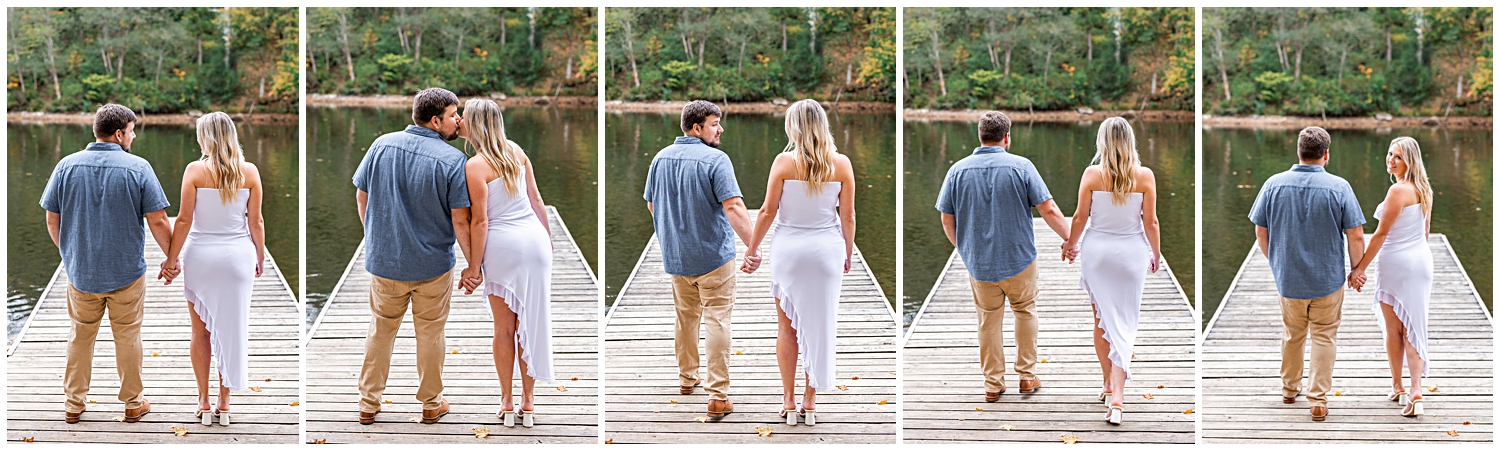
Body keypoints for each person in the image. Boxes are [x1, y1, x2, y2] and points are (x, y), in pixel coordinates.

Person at [353, 87, 479, 425]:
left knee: (380, 331)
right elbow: (460, 219)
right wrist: (473, 265)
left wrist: (373, 235)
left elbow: (361, 195)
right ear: (436, 120)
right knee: (431, 334)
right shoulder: (454, 161)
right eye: (455, 115)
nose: (459, 120)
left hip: (385, 263)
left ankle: (368, 403)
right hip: (432, 267)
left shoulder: (381, 144)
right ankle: (430, 404)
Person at [42, 103, 174, 424]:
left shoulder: (65, 166)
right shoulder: (138, 168)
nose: (133, 136)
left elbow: (51, 218)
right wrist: (172, 258)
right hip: (126, 273)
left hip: (81, 274)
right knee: (127, 335)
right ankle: (132, 403)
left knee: (80, 336)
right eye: (131, 131)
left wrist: (71, 253)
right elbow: (158, 220)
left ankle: (73, 404)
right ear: (119, 134)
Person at [936, 111, 1071, 401]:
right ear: (1007, 137)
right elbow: (1048, 209)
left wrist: (964, 249)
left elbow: (947, 219)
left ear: (980, 136)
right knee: (1025, 311)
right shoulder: (1022, 166)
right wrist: (1070, 239)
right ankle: (1026, 376)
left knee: (988, 320)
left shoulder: (957, 170)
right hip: (1020, 259)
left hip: (980, 264)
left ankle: (993, 385)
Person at [743, 99, 856, 426]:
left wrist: (752, 250)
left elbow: (766, 212)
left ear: (794, 127)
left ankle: (789, 402)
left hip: (789, 251)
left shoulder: (783, 162)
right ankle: (810, 402)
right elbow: (847, 216)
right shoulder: (842, 164)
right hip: (826, 253)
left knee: (787, 327)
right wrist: (847, 253)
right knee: (820, 326)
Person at [642, 100, 758, 419]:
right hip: (714, 257)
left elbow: (653, 206)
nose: (720, 129)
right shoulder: (715, 160)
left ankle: (686, 380)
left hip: (677, 258)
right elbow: (733, 207)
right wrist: (753, 246)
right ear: (697, 127)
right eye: (714, 124)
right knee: (717, 318)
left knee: (686, 318)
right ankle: (718, 395)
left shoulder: (660, 158)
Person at [1248, 126, 1366, 422]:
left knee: (1293, 333)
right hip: (1328, 280)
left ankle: (1289, 389)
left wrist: (1274, 260)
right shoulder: (1339, 187)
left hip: (1288, 280)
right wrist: (1356, 270)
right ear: (1326, 155)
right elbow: (1356, 235)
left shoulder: (1273, 184)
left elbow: (1260, 229)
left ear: (1298, 151)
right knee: (1324, 336)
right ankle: (1317, 400)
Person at [159, 112, 266, 427]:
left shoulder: (195, 170)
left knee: (200, 331)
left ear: (205, 137)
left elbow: (183, 220)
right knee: (231, 329)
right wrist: (259, 257)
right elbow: (255, 221)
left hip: (201, 257)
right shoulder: (249, 172)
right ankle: (225, 403)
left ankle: (203, 401)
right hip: (237, 259)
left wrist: (171, 260)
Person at [457, 98, 555, 428]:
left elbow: (480, 222)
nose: (458, 122)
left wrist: (473, 268)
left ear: (475, 124)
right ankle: (529, 403)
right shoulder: (517, 152)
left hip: (503, 246)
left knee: (505, 328)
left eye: (463, 117)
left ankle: (507, 400)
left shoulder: (475, 166)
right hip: (535, 242)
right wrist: (549, 241)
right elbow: (537, 200)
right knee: (532, 322)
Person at [1061, 117, 1161, 425]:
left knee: (1102, 319)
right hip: (1131, 254)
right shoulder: (1144, 176)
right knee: (1126, 324)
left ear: (1102, 142)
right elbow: (1151, 223)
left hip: (1098, 254)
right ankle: (1117, 398)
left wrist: (1070, 244)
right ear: (1130, 141)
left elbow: (1079, 217)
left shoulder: (1092, 174)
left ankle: (1107, 384)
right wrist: (1156, 254)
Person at [1347, 136, 1433, 417]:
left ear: (1410, 160)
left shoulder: (1398, 191)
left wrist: (1359, 268)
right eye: (1389, 154)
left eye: (1397, 157)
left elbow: (1381, 234)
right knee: (1415, 324)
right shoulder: (1424, 188)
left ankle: (1399, 386)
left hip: (1396, 263)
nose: (1390, 160)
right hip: (1421, 262)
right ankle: (1415, 390)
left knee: (1395, 328)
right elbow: (1425, 233)